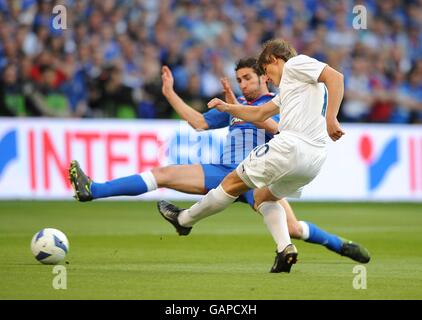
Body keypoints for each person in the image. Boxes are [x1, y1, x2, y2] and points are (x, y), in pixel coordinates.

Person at [69, 57, 369, 269]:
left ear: (265, 77)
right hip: (224, 171)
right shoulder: (235, 106)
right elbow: (198, 122)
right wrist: (170, 94)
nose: (243, 83)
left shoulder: (284, 100)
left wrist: (246, 111)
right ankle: (92, 190)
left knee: (293, 229)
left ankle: (338, 244)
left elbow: (280, 131)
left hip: (260, 174)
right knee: (163, 174)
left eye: (248, 78)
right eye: (239, 79)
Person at [158, 39, 360, 273]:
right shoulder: (292, 90)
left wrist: (331, 118)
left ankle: (184, 220)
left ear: (274, 60)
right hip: (314, 160)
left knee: (231, 182)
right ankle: (285, 249)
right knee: (263, 198)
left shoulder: (296, 64)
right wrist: (228, 108)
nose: (269, 78)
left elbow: (336, 77)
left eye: (266, 71)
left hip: (290, 147)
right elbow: (261, 112)